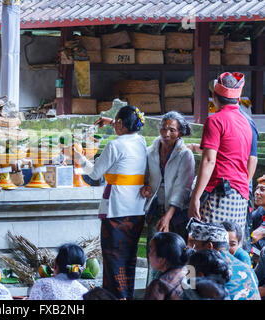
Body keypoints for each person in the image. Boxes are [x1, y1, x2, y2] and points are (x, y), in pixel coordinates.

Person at [74, 105, 147, 300]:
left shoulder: (115, 145)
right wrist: (113, 122)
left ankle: (116, 297)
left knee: (113, 257)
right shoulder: (141, 141)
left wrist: (77, 157)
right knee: (128, 256)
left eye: (117, 122)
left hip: (116, 210)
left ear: (121, 124)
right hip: (137, 209)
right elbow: (126, 130)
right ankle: (126, 295)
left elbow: (95, 173)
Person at [188, 72, 253, 248]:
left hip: (219, 194)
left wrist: (196, 196)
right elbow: (249, 159)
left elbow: (209, 160)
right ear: (238, 100)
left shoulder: (215, 120)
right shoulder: (246, 123)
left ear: (214, 97)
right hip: (240, 196)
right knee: (231, 249)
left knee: (208, 249)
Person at [140, 111, 195, 284]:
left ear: (180, 132)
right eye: (163, 128)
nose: (166, 133)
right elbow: (146, 176)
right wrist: (145, 187)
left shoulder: (185, 155)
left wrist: (168, 216)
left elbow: (183, 188)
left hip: (177, 214)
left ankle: (185, 292)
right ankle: (154, 289)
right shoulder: (151, 151)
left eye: (172, 130)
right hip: (156, 209)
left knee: (179, 257)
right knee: (155, 255)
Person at [186, 218, 261, 300]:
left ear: (209, 247)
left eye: (196, 246)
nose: (193, 250)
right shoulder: (247, 268)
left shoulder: (210, 270)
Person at [144, 232, 192, 300]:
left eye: (151, 250)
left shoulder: (159, 285)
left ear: (162, 259)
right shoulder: (190, 272)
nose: (149, 254)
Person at [251, 175, 265, 252]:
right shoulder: (260, 210)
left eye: (262, 190)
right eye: (257, 189)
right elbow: (248, 224)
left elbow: (255, 236)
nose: (256, 192)